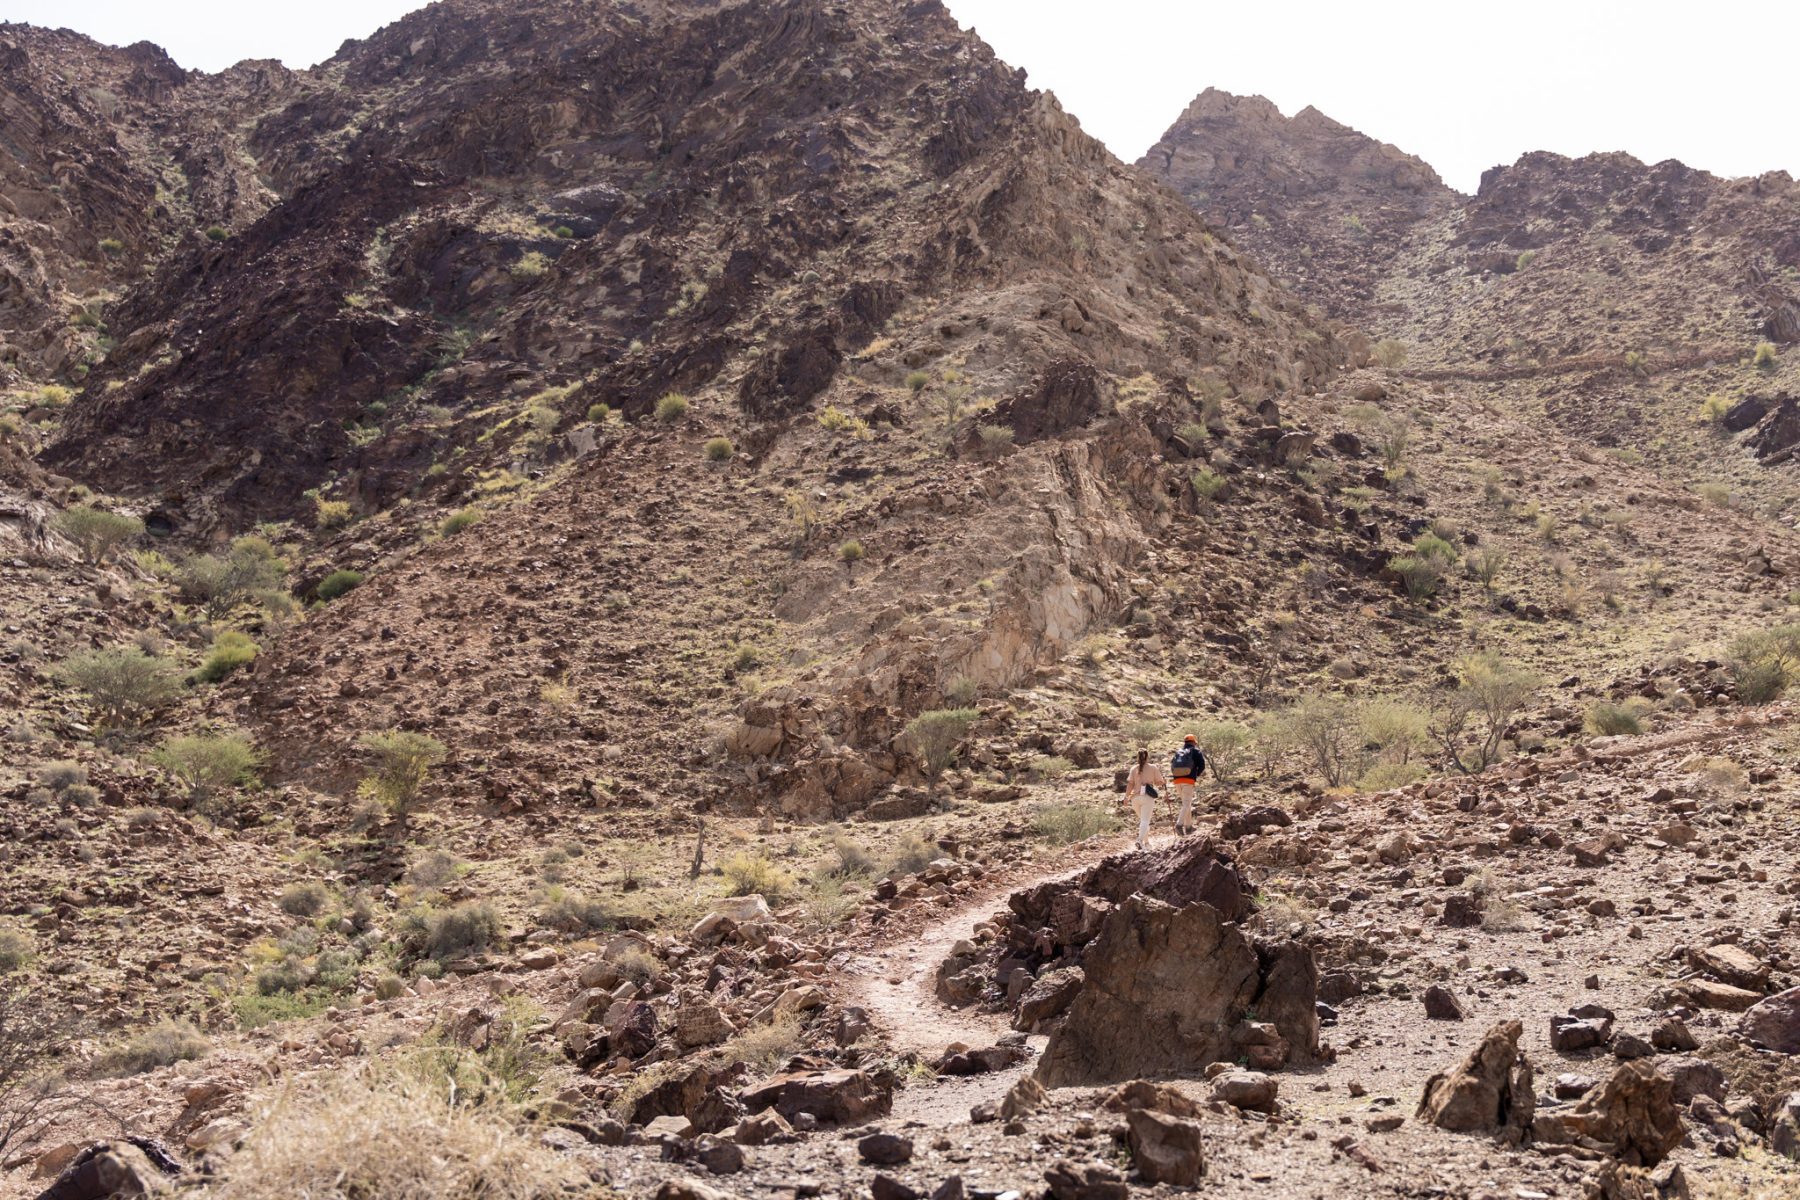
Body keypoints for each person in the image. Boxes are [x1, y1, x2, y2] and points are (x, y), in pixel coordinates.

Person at [1122, 748, 1167, 850]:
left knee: (1143, 821)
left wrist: (1126, 797)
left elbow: (1130, 784)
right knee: (1145, 821)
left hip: (1135, 799)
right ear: (1147, 757)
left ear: (1138, 757)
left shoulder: (1133, 769)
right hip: (1147, 797)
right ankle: (1139, 840)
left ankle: (1147, 843)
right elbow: (1158, 782)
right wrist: (1164, 781)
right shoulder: (1153, 767)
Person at [1169, 734, 1206, 835]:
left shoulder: (1178, 752)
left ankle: (1189, 827)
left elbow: (1172, 765)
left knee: (1186, 804)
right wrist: (1195, 775)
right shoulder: (1196, 751)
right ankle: (1179, 825)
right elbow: (1202, 765)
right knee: (1186, 803)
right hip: (1188, 781)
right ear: (1193, 742)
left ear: (1185, 742)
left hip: (1177, 781)